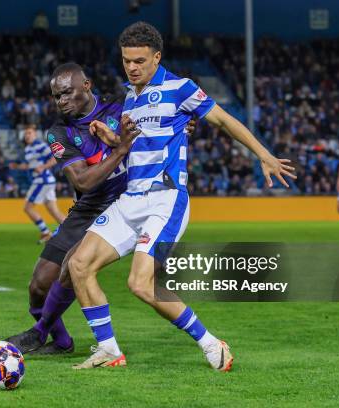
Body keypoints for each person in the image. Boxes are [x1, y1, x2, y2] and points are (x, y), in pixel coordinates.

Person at [67, 22, 296, 371]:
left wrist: (263, 154)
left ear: (157, 57)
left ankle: (211, 343)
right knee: (79, 265)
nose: (132, 67)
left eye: (140, 61)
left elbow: (223, 120)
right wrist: (111, 139)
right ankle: (109, 350)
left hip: (165, 199)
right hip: (131, 199)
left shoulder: (180, 87)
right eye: (127, 60)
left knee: (140, 284)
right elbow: (137, 146)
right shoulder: (131, 96)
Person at [5, 62, 196, 355]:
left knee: (73, 264)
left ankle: (39, 332)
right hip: (89, 205)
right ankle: (61, 342)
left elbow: (162, 124)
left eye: (67, 93)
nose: (61, 101)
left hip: (128, 199)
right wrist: (120, 150)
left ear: (87, 85)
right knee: (38, 285)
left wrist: (184, 124)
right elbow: (83, 180)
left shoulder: (120, 107)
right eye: (56, 96)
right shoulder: (60, 132)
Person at [10, 125, 66, 243]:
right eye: (25, 134)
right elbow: (30, 166)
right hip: (46, 181)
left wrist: (43, 167)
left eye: (29, 133)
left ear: (35, 135)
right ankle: (74, 233)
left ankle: (45, 232)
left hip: (42, 181)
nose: (27, 136)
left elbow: (56, 158)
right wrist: (17, 166)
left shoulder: (40, 145)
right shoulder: (28, 149)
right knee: (54, 211)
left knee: (28, 208)